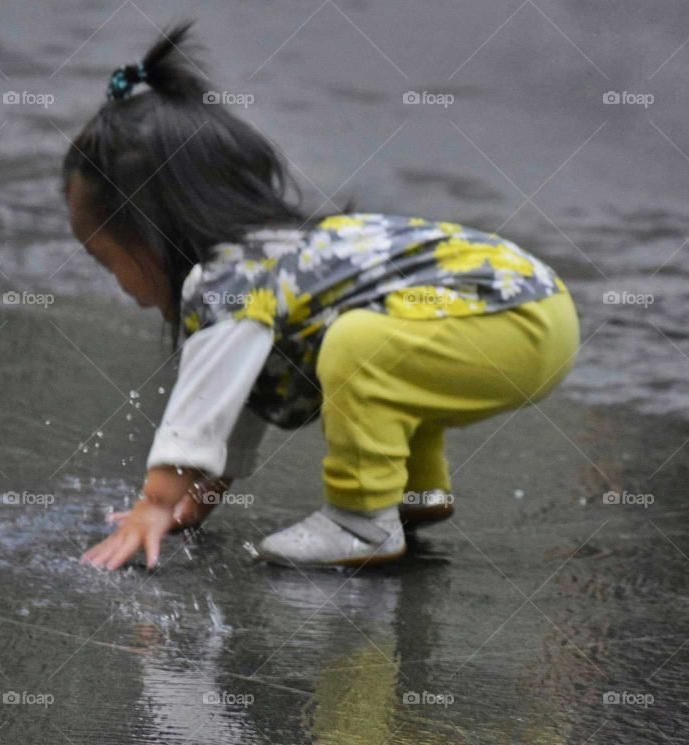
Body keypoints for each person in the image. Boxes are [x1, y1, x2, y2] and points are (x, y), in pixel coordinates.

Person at [66, 21, 579, 571]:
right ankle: (416, 493)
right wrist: (202, 497)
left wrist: (155, 502)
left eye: (108, 259)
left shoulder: (229, 283)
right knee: (391, 346)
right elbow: (237, 400)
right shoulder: (278, 266)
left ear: (153, 235)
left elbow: (202, 407)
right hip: (535, 310)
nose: (114, 280)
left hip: (512, 320)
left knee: (360, 346)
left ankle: (362, 522)